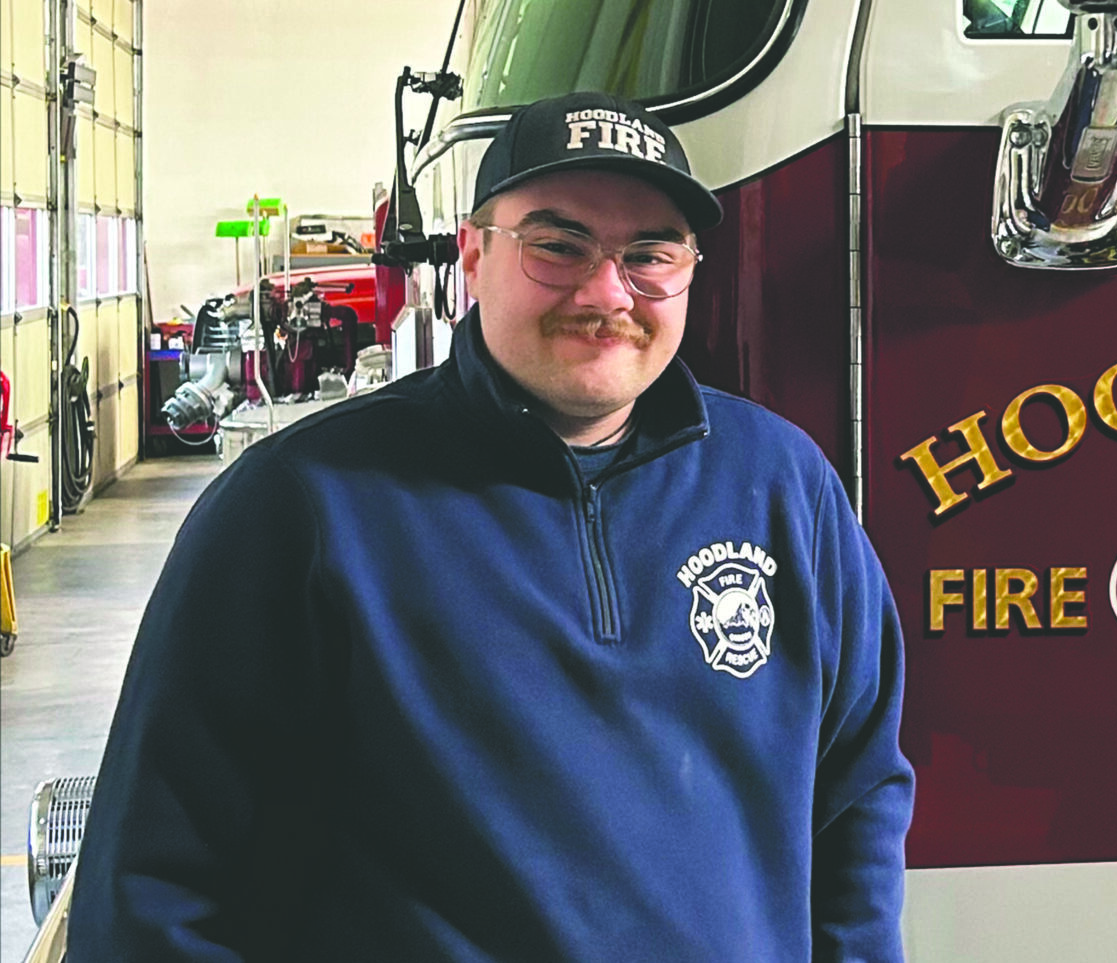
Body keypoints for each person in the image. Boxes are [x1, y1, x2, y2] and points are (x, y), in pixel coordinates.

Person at [68, 93, 915, 961]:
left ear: (691, 268)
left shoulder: (782, 486)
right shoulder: (301, 510)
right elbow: (149, 887)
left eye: (650, 253)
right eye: (558, 245)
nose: (606, 290)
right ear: (472, 255)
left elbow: (857, 791)